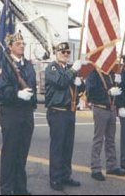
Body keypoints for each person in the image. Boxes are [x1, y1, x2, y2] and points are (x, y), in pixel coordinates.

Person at [0, 31, 37, 195]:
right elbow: (2, 86)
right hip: (10, 111)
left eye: (23, 43)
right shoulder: (3, 64)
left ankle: (20, 188)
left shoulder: (28, 64)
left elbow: (32, 82)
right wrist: (17, 93)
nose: (22, 46)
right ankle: (6, 189)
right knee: (10, 152)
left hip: (26, 112)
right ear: (10, 46)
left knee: (22, 152)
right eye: (18, 44)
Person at [44, 42, 83, 191]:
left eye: (68, 52)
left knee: (68, 146)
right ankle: (55, 178)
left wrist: (80, 84)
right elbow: (61, 82)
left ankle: (66, 175)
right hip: (57, 111)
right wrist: (73, 71)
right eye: (63, 52)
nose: (66, 54)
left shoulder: (68, 70)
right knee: (58, 146)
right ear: (56, 54)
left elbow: (76, 90)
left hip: (69, 111)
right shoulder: (52, 68)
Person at [86, 64, 125, 182]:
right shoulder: (93, 75)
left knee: (110, 139)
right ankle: (95, 168)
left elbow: (118, 92)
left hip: (112, 109)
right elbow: (91, 93)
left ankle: (112, 166)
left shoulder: (111, 74)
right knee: (98, 139)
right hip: (100, 108)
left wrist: (120, 104)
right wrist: (108, 92)